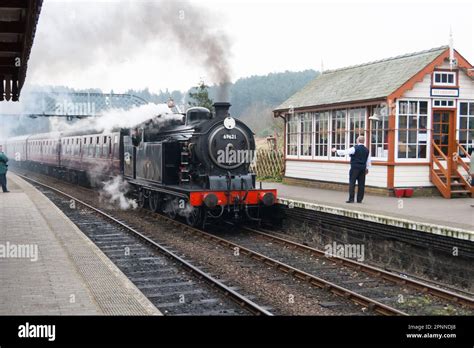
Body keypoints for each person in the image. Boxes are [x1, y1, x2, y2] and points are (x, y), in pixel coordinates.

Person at [331, 136, 371, 203]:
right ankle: (359, 199)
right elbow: (368, 161)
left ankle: (351, 199)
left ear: (357, 141)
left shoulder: (354, 148)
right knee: (361, 184)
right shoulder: (367, 150)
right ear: (363, 141)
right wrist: (367, 168)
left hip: (355, 168)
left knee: (352, 183)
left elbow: (345, 152)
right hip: (362, 168)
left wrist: (336, 151)